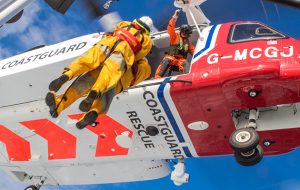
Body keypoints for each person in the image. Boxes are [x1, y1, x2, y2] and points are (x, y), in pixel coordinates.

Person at [45, 16, 153, 129]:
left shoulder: (124, 24)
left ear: (135, 21)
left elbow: (115, 30)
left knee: (84, 72)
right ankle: (95, 100)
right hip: (122, 59)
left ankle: (63, 91)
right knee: (107, 87)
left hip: (106, 45)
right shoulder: (146, 43)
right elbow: (139, 56)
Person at [154, 9, 195, 78]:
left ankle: (189, 77)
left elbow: (194, 52)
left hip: (179, 62)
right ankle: (157, 78)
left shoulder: (188, 44)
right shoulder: (174, 36)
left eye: (187, 34)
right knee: (167, 59)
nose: (185, 35)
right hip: (171, 58)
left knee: (185, 63)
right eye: (184, 33)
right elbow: (170, 28)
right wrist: (175, 17)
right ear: (181, 31)